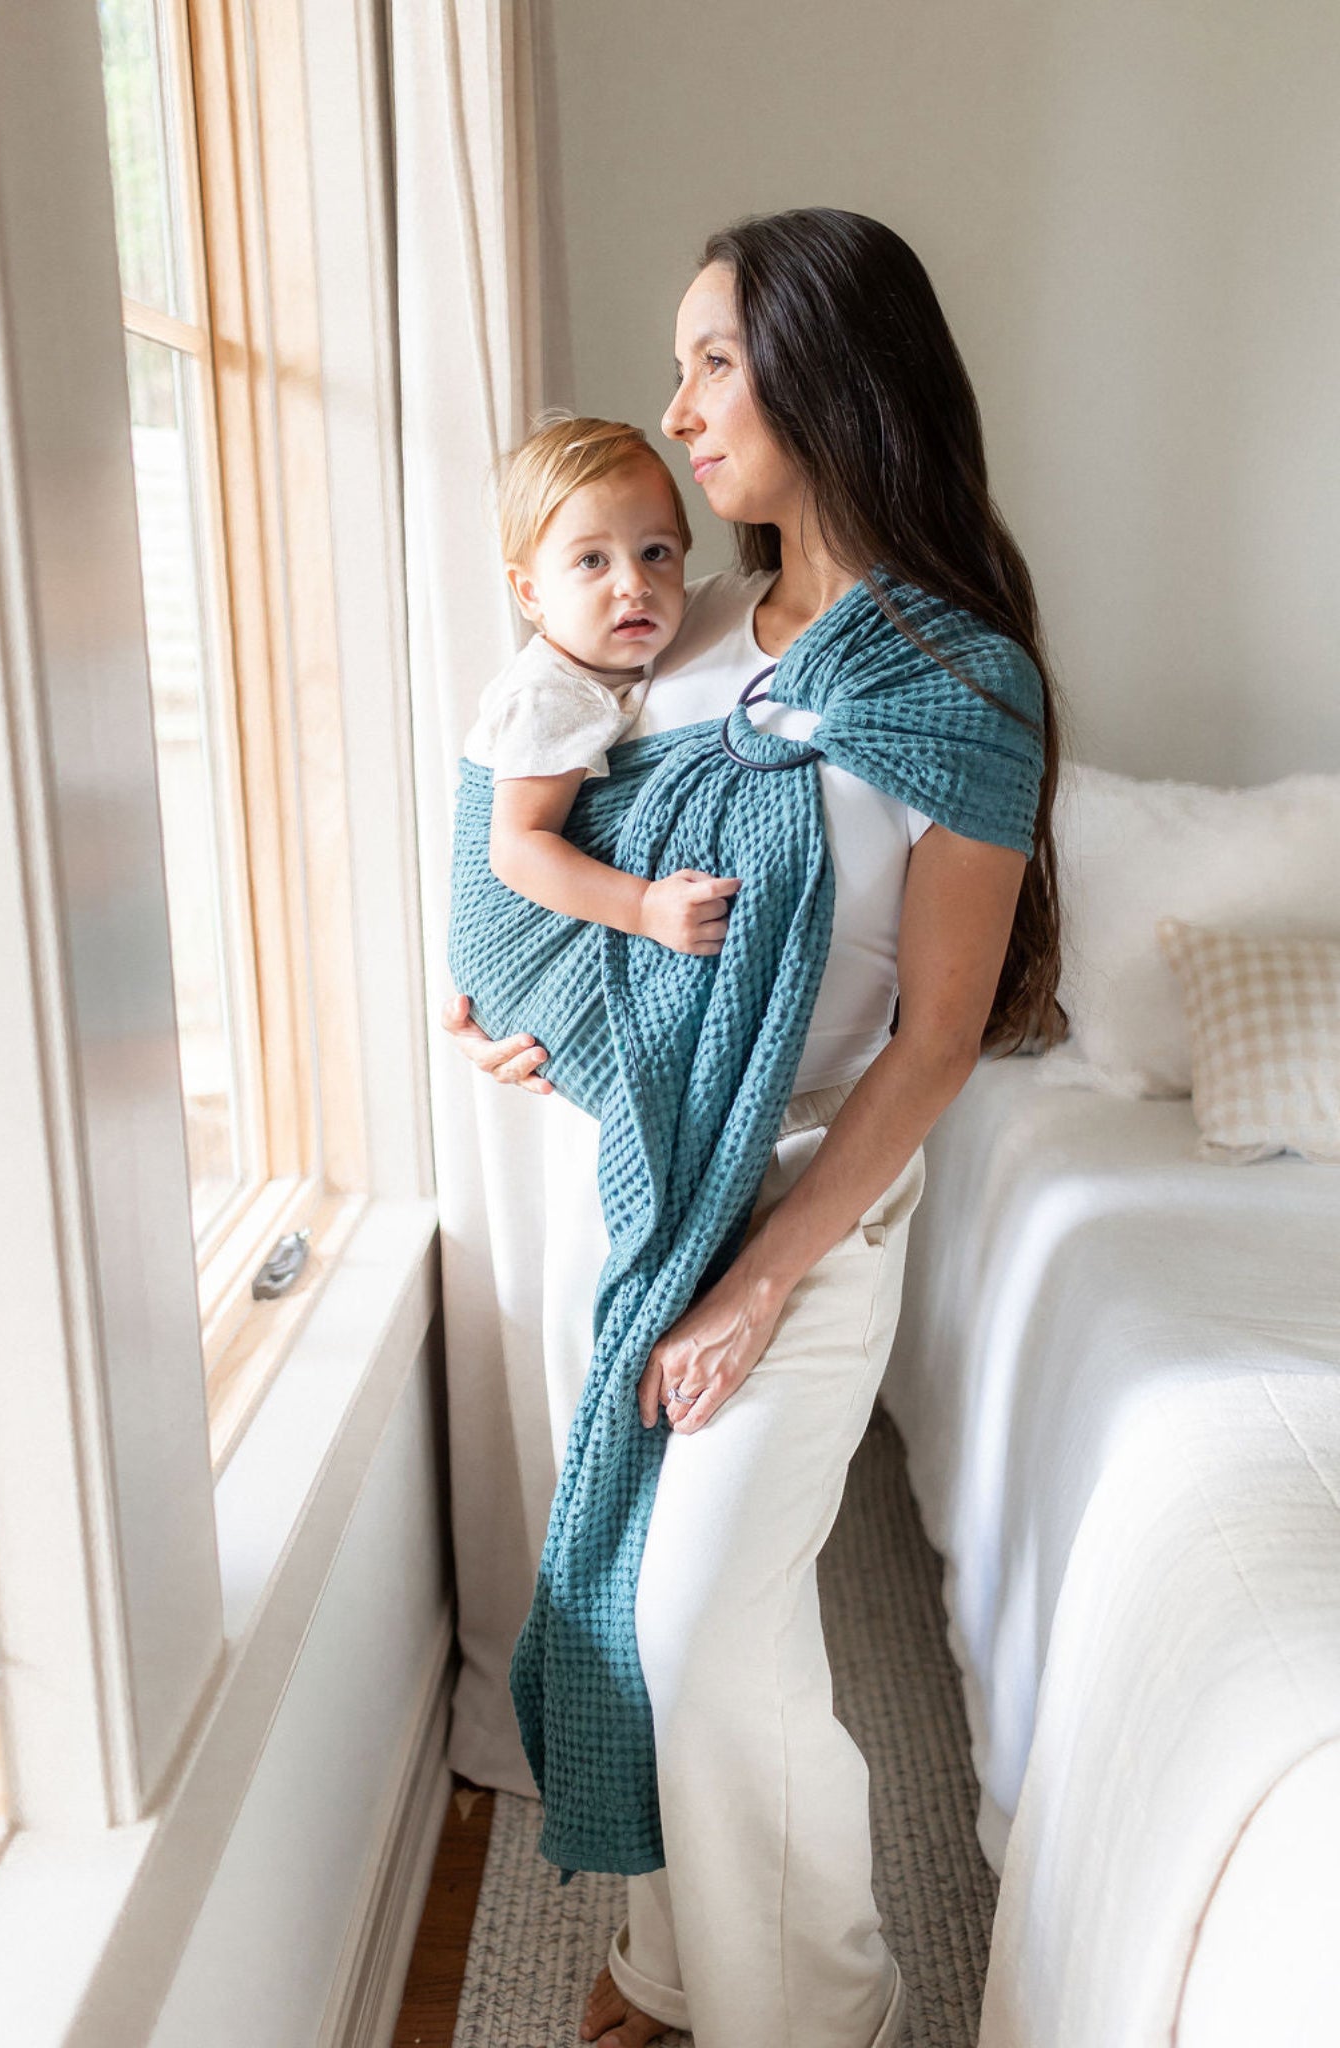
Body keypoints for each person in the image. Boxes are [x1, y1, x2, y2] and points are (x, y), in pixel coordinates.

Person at [443, 207, 1067, 2048]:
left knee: (711, 1619)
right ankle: (673, 1950)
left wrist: (760, 1287)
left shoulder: (962, 684)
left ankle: (822, 2012)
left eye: (715, 358)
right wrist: (536, 1017)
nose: (679, 406)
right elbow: (569, 870)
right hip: (632, 1199)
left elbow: (937, 1036)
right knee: (632, 1579)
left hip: (807, 1218)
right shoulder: (675, 632)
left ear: (829, 368)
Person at [461, 413, 742, 958]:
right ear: (531, 593)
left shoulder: (639, 656)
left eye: (655, 553)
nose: (634, 585)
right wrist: (642, 907)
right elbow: (518, 847)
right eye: (592, 561)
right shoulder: (552, 694)